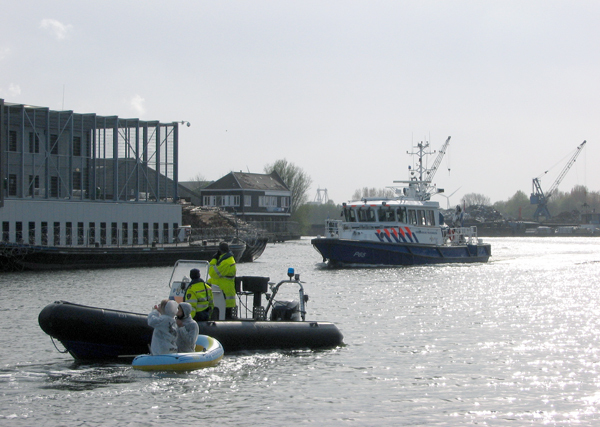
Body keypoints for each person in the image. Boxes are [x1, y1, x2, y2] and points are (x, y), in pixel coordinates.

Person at [208, 241, 237, 319]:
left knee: (226, 317)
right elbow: (217, 278)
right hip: (221, 295)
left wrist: (214, 259)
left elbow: (212, 272)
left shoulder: (226, 262)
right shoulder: (225, 260)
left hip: (224, 297)